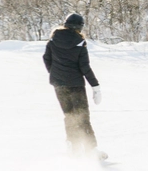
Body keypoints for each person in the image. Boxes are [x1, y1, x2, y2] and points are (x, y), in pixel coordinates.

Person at [43, 12, 105, 159]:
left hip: (59, 85)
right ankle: (91, 149)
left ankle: (73, 147)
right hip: (75, 85)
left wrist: (55, 73)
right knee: (82, 116)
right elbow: (85, 67)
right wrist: (95, 86)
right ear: (80, 27)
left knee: (69, 115)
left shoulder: (53, 40)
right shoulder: (79, 42)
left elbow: (46, 59)